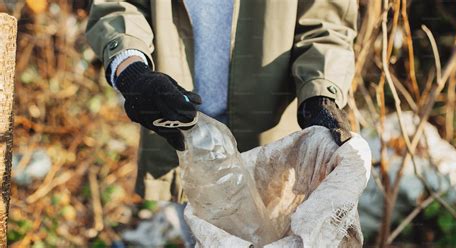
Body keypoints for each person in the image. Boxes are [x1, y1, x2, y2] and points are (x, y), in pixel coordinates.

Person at [86, 0, 357, 204]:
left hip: (273, 143)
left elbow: (326, 24)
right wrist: (133, 73)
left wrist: (320, 95)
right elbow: (118, 6)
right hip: (180, 138)